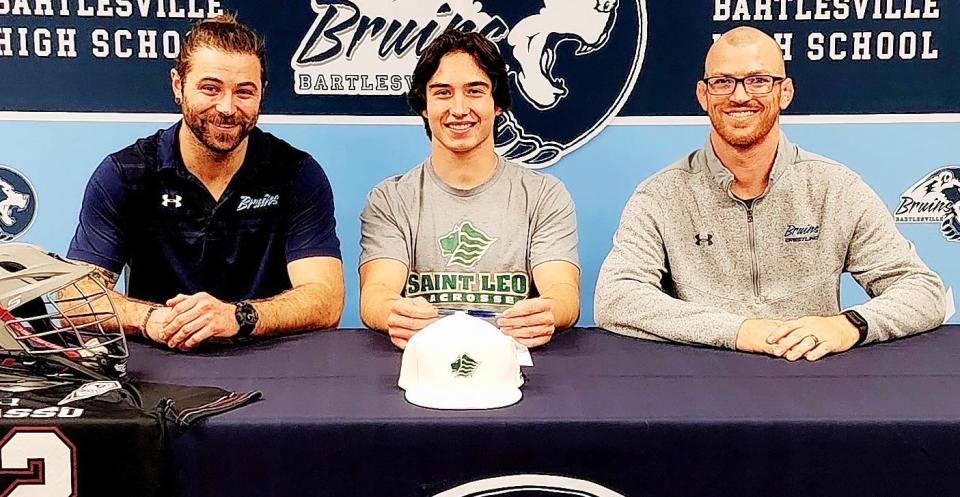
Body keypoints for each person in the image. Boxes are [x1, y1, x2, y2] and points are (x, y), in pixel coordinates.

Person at [594, 26, 945, 361]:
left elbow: (922, 290)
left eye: (759, 80)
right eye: (723, 82)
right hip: (698, 382)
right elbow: (617, 298)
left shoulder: (836, 188)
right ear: (704, 95)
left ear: (785, 92)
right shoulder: (660, 195)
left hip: (813, 377)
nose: (740, 95)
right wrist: (738, 331)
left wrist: (849, 326)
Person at [68, 15, 344, 351]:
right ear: (177, 85)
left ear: (261, 94)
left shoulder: (297, 173)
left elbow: (326, 299)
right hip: (160, 358)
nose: (227, 108)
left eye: (244, 91)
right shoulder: (126, 172)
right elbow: (75, 299)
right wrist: (152, 319)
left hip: (272, 360)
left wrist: (237, 317)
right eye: (210, 88)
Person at [359, 29, 580, 350]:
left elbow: (562, 290)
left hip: (516, 358)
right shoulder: (390, 198)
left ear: (498, 103)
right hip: (424, 357)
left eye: (475, 91)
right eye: (442, 92)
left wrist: (548, 312)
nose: (459, 108)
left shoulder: (545, 194)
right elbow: (376, 292)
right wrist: (394, 312)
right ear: (424, 105)